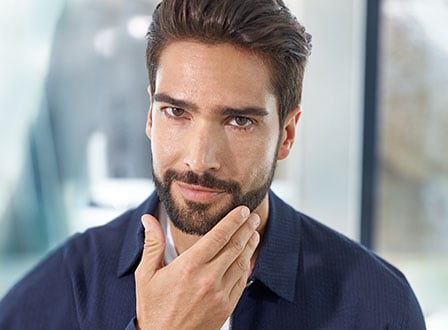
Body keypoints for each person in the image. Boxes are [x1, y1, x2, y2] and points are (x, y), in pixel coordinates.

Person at [0, 0, 426, 329]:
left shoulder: (377, 305)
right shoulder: (65, 288)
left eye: (239, 120)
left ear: (287, 133)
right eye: (176, 113)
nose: (199, 159)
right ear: (150, 114)